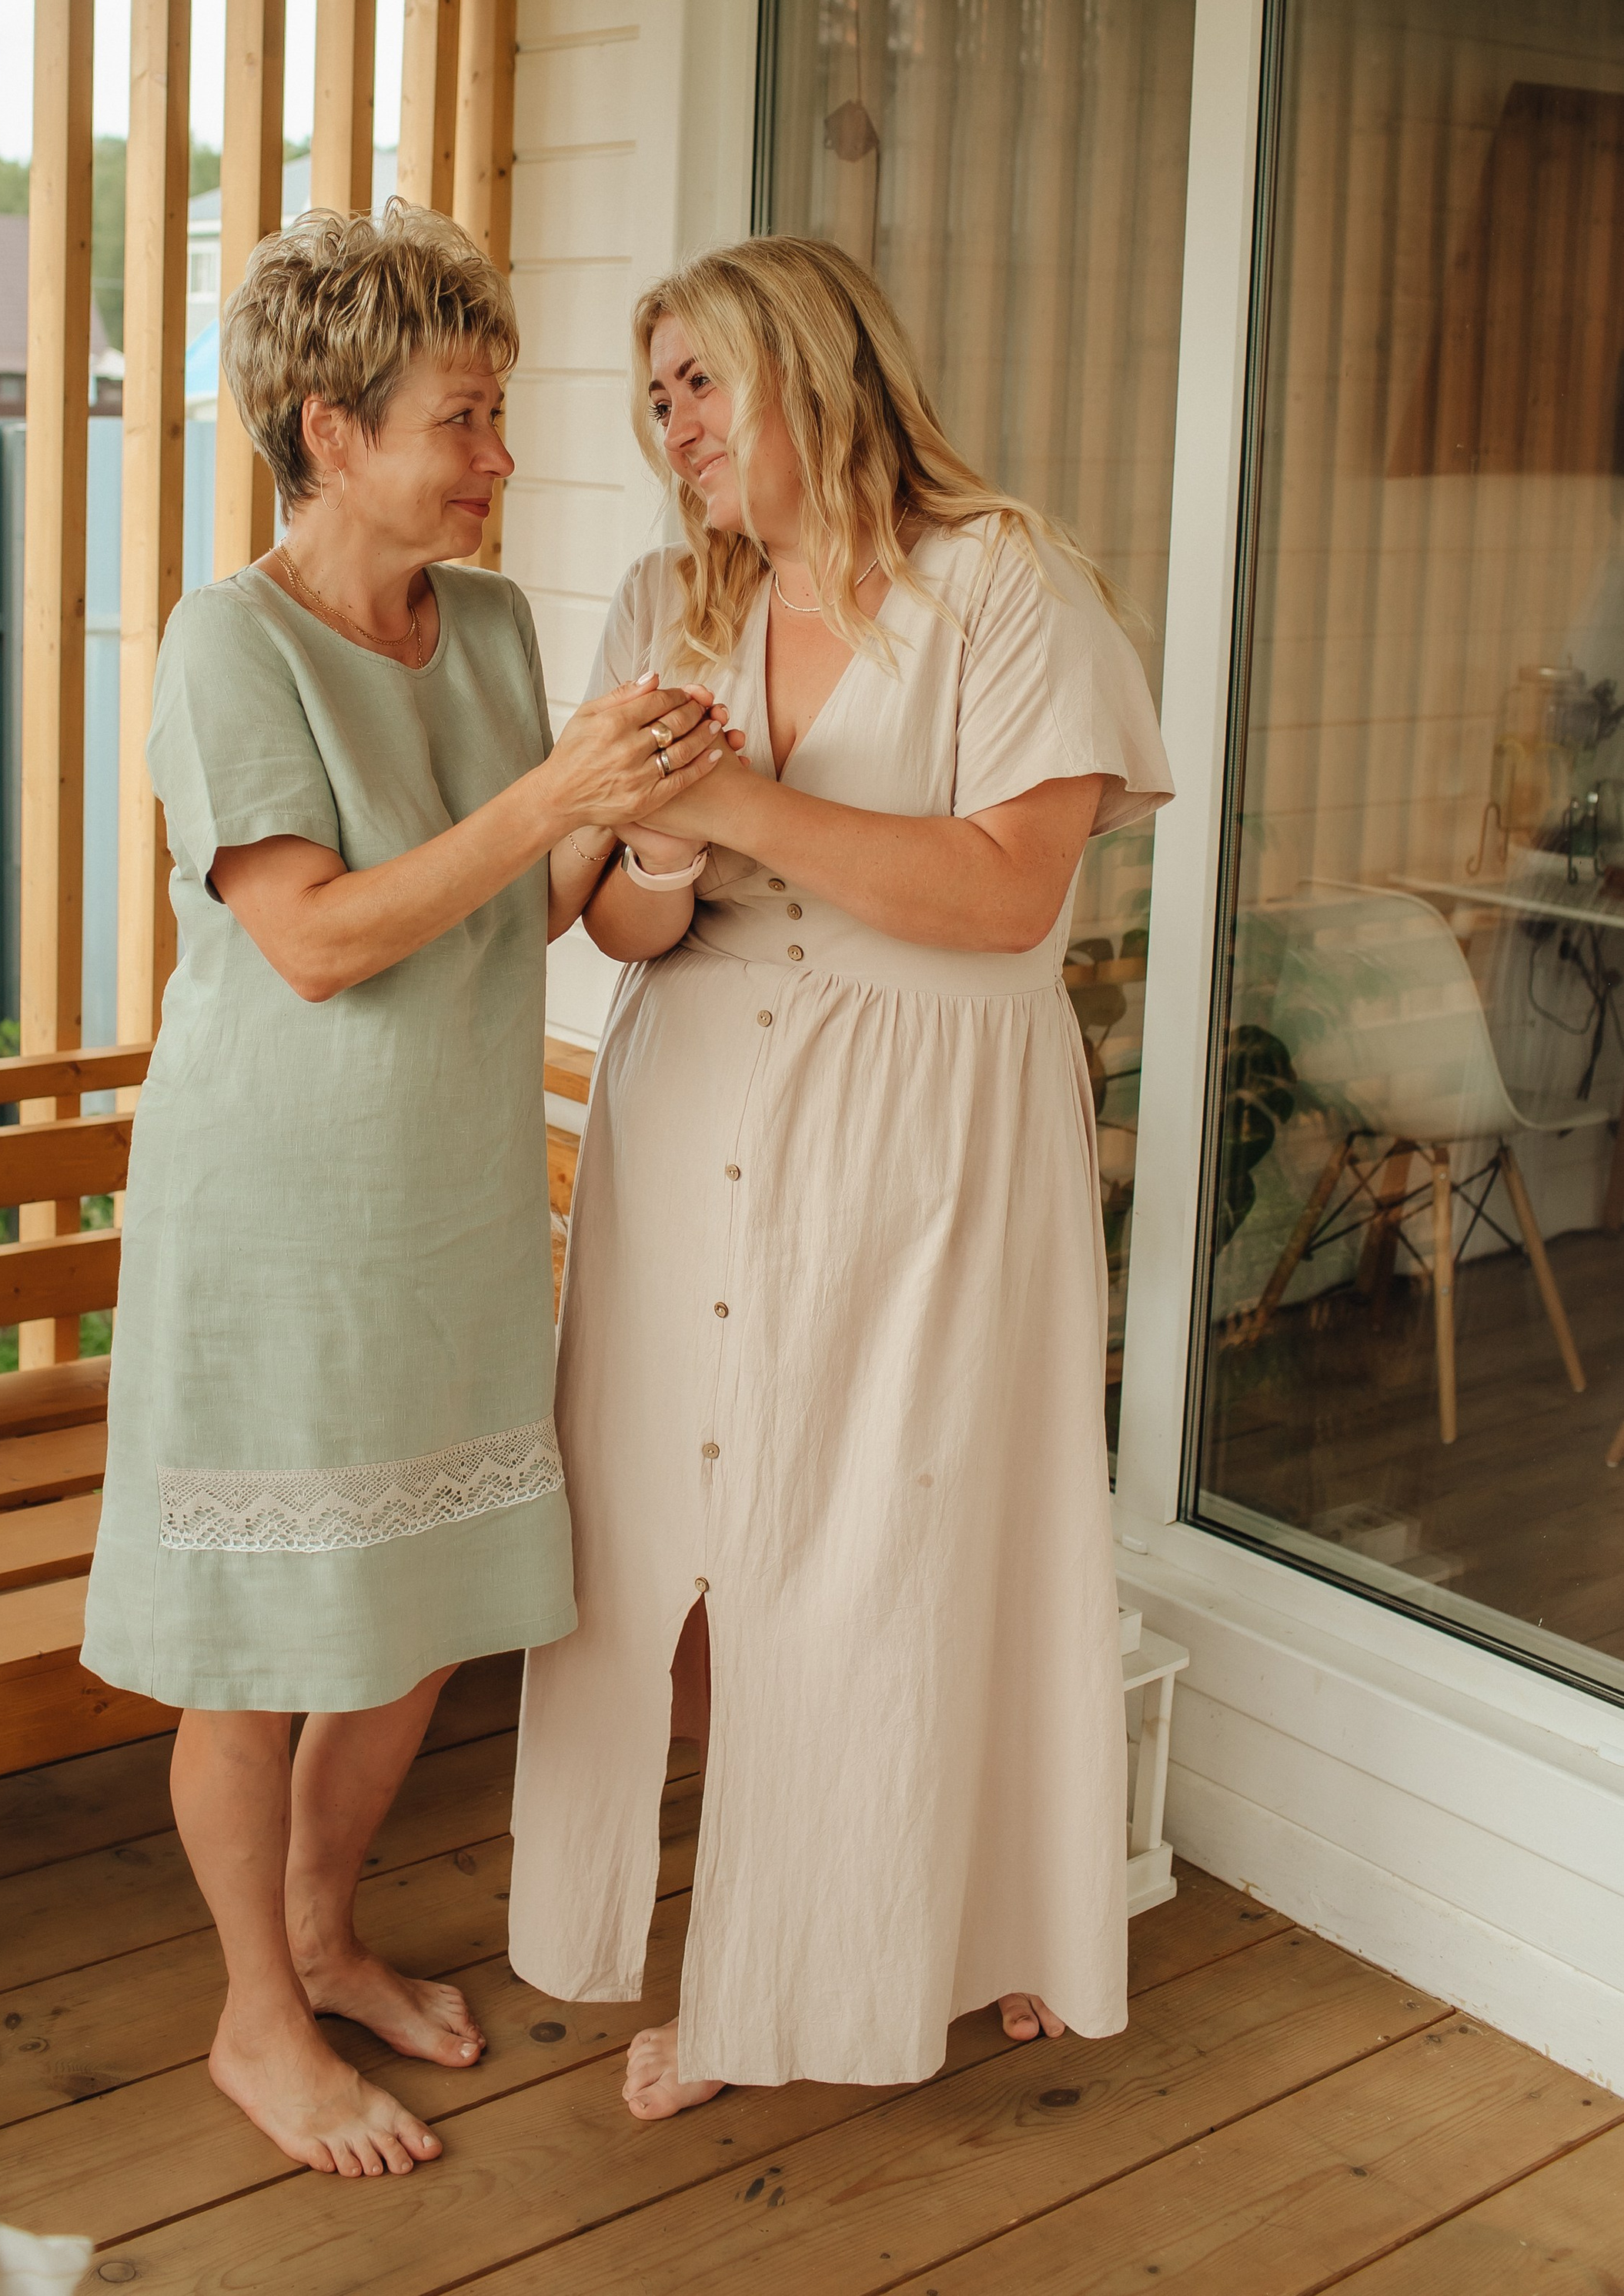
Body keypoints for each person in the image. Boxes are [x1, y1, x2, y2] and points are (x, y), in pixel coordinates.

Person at [82, 202, 730, 2179]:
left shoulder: (506, 628)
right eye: (461, 417)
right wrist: (550, 797)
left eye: (497, 412)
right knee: (264, 1636)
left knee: (421, 1609)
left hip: (447, 1207)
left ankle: (318, 1929)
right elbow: (319, 938)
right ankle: (254, 2023)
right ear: (326, 427)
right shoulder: (230, 640)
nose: (498, 457)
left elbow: (531, 910)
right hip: (275, 1216)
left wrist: (659, 843)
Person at [508, 235, 1173, 2116]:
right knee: (678, 1550)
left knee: (904, 1535)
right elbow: (629, 925)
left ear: (813, 367)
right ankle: (752, 1937)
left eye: (699, 385)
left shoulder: (999, 586)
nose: (673, 432)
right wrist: (652, 853)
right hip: (691, 1109)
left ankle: (937, 1937)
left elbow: (1002, 891)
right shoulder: (663, 596)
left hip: (925, 1129)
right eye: (654, 402)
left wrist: (723, 802)